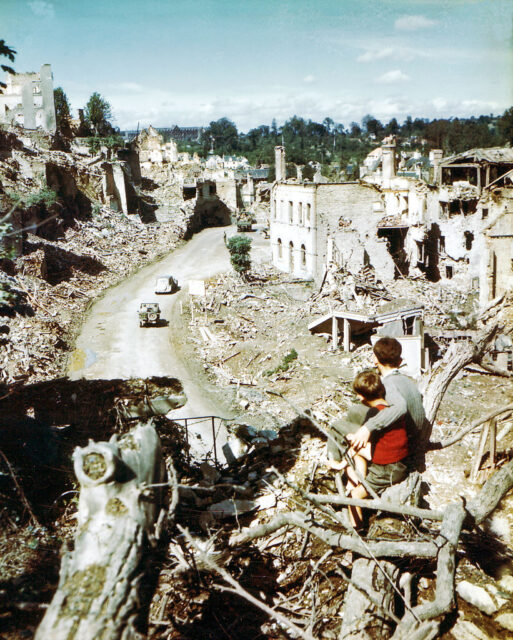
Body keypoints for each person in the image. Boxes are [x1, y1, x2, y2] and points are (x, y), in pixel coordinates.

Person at [327, 369, 410, 528]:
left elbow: (361, 443)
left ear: (361, 397)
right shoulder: (389, 410)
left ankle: (357, 533)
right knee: (356, 450)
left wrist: (344, 457)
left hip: (389, 470)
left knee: (354, 496)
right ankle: (358, 479)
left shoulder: (374, 414)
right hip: (396, 458)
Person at [349, 337, 428, 471]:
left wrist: (368, 428)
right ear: (400, 361)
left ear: (375, 359)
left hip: (404, 449)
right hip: (416, 438)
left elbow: (400, 407)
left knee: (355, 412)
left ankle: (352, 453)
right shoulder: (407, 381)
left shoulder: (388, 385)